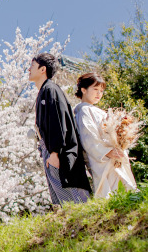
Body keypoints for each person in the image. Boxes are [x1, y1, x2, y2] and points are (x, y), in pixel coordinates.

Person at [29, 53, 91, 206]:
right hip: (50, 152)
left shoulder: (51, 90)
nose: (28, 69)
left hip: (60, 154)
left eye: (32, 65)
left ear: (42, 69)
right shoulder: (44, 92)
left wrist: (55, 153)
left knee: (73, 197)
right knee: (61, 199)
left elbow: (58, 122)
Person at [73, 72, 137, 198]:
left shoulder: (92, 110)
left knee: (120, 187)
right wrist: (107, 151)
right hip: (103, 157)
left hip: (111, 154)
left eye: (101, 91)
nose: (99, 94)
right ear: (83, 90)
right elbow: (88, 137)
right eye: (95, 89)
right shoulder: (85, 110)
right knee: (113, 189)